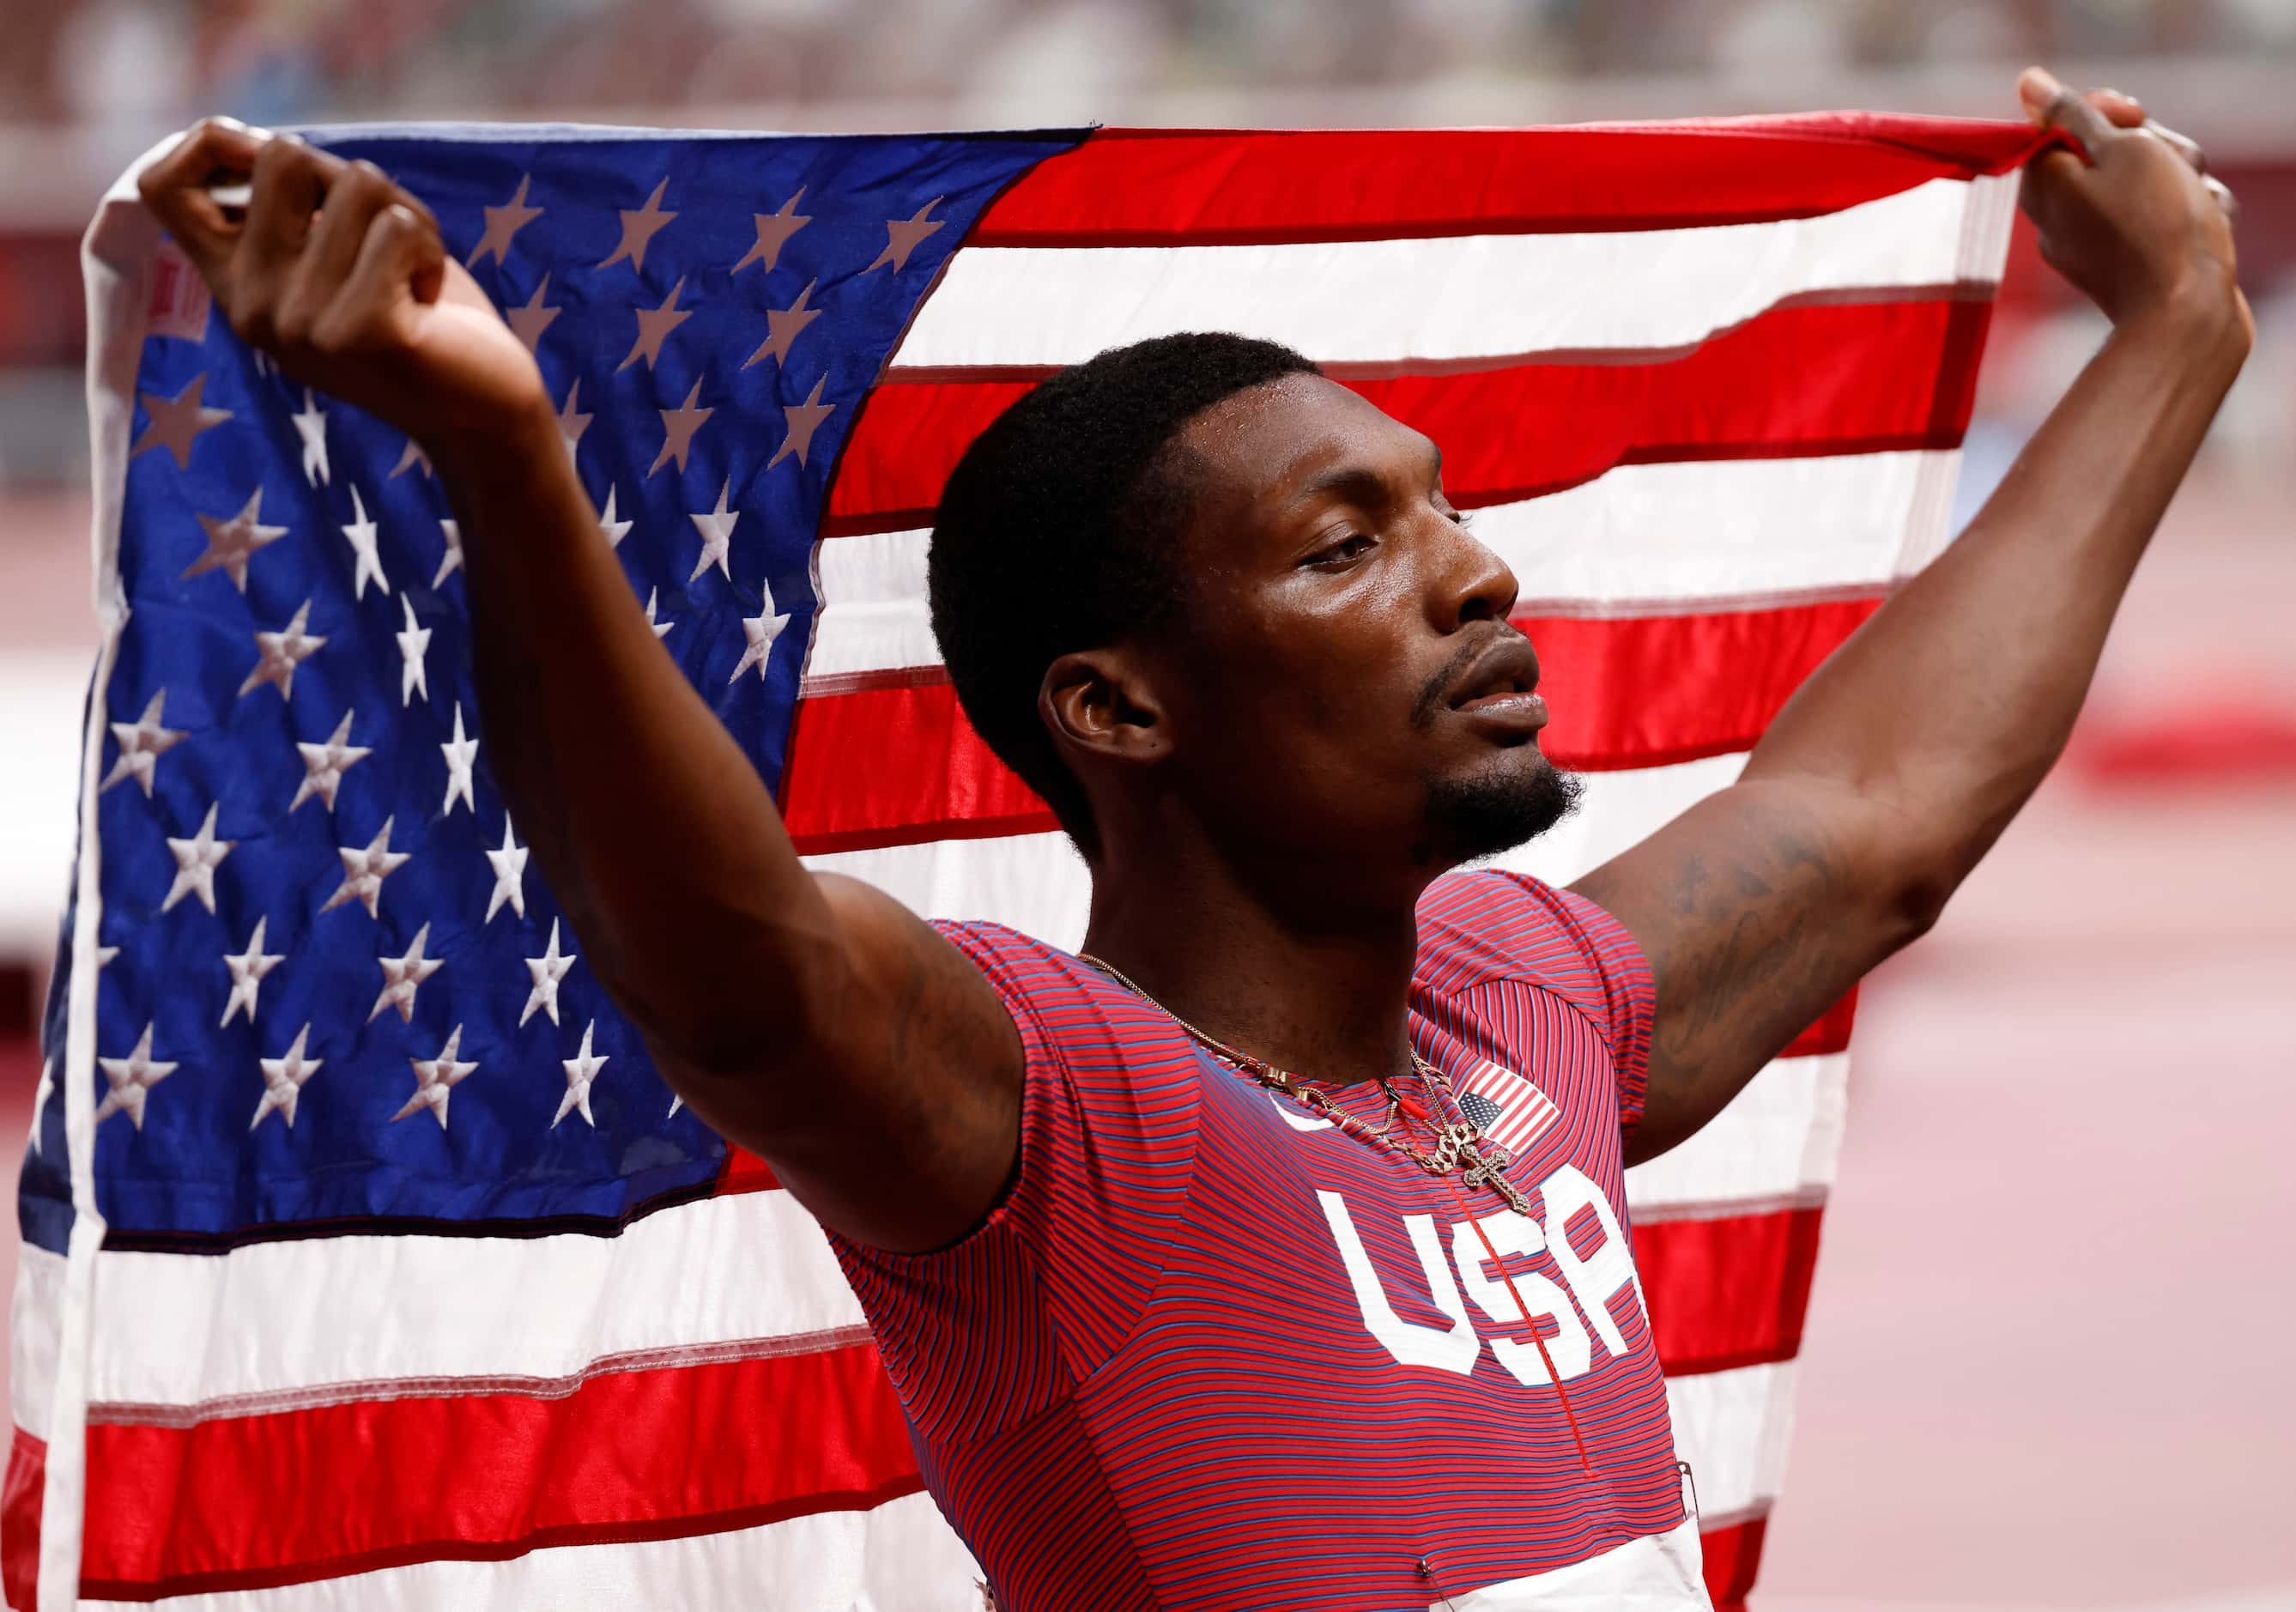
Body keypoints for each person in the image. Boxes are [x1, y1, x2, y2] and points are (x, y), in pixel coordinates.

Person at [137, 67, 2247, 1611]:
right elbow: (729, 952)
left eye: (1438, 508)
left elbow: (1862, 818)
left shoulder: (1527, 1012)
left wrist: (2171, 340)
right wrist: (502, 452)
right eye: (1346, 547)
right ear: (1116, 707)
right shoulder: (1045, 1107)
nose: (1473, 574)